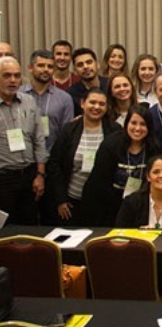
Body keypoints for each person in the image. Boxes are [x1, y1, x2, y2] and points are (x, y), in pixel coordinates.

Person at [82, 104, 162, 225]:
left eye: (143, 124)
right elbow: (99, 182)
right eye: (133, 123)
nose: (137, 128)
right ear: (127, 124)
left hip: (141, 207)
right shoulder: (111, 144)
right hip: (108, 206)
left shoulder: (156, 147)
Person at [46, 88, 116, 225]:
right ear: (83, 104)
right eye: (92, 102)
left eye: (102, 104)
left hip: (103, 203)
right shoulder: (69, 130)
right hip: (72, 201)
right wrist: (61, 199)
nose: (96, 107)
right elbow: (55, 164)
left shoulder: (114, 130)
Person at [0, 56, 47, 225]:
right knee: (5, 230)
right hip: (3, 179)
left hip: (29, 176)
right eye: (7, 76)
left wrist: (40, 174)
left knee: (30, 227)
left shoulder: (28, 101)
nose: (13, 80)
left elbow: (39, 139)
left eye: (17, 75)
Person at [20, 50, 74, 151]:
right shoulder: (18, 95)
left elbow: (67, 135)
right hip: (23, 158)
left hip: (52, 157)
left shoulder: (64, 98)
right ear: (30, 68)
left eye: (50, 67)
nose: (46, 70)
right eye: (41, 65)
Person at [67, 48, 109, 116]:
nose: (85, 67)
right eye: (80, 65)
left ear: (97, 64)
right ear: (75, 70)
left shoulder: (111, 85)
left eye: (89, 62)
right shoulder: (70, 95)